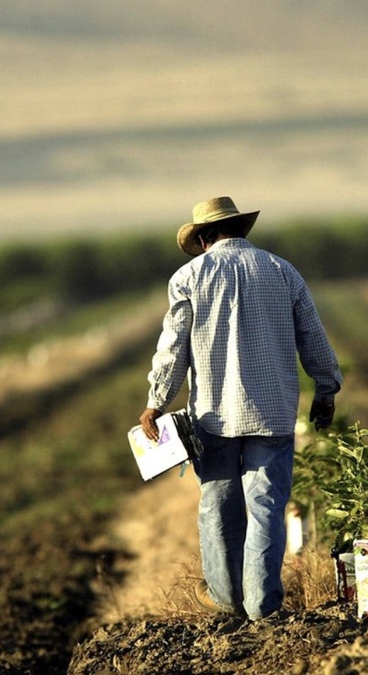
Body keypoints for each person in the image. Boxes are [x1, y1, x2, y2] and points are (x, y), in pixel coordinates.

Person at [139, 196, 342, 621]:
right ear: (238, 230)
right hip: (272, 412)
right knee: (267, 508)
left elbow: (173, 347)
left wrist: (156, 402)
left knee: (218, 508)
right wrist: (326, 390)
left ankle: (228, 602)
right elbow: (313, 337)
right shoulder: (281, 271)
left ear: (204, 237)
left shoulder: (188, 278)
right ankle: (262, 608)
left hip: (213, 416)